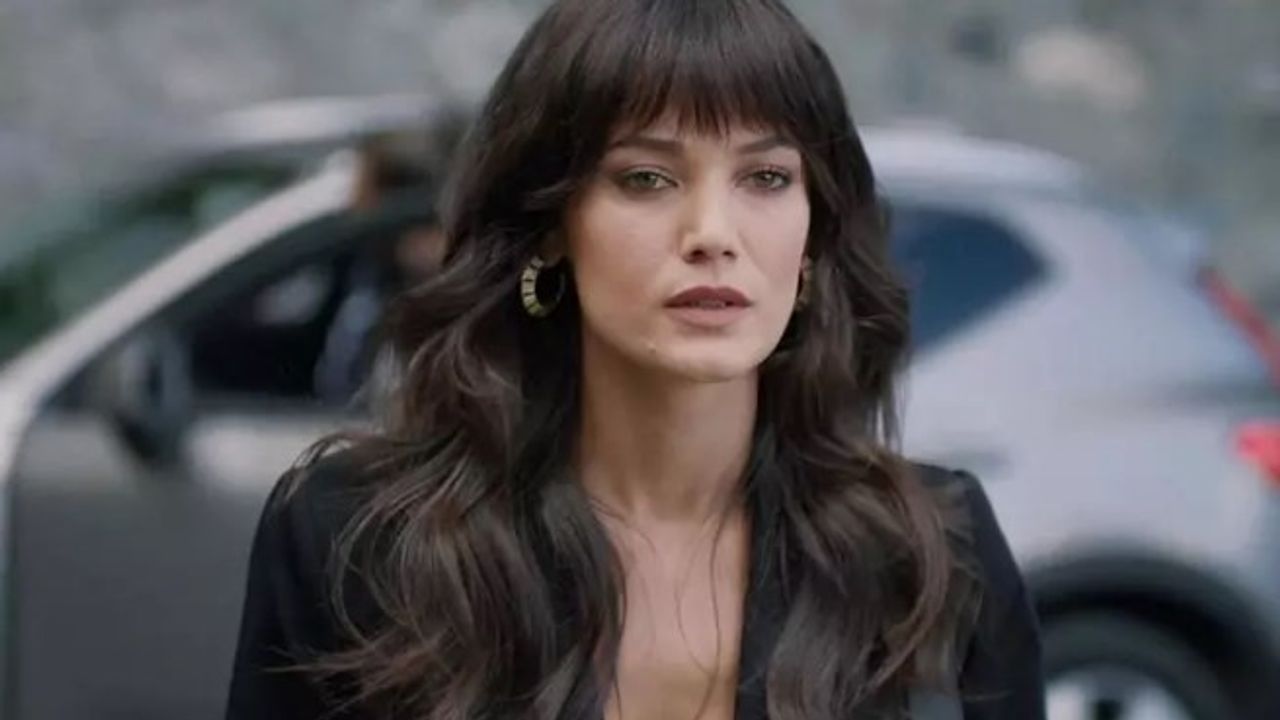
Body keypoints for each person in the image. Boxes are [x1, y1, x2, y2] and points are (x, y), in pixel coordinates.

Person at [226, 1, 1045, 719]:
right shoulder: (356, 542)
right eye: (647, 178)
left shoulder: (937, 556)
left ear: (813, 234)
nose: (712, 233)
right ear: (552, 223)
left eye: (765, 176)